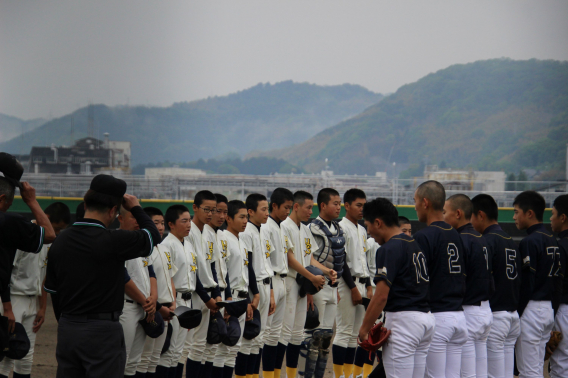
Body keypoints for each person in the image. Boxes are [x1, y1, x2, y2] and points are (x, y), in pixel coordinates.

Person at [43, 174, 161, 377]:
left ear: (85, 203)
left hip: (68, 327)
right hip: (102, 330)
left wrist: (67, 324)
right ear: (114, 211)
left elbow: (53, 290)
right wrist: (135, 207)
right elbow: (153, 236)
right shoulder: (114, 240)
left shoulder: (60, 241)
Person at [359, 198, 435, 378]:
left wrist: (364, 329)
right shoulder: (414, 243)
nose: (369, 233)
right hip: (426, 318)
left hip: (404, 321)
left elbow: (381, 296)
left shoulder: (388, 248)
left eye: (369, 227)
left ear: (378, 222)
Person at [0, 202, 69, 378]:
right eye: (57, 228)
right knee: (6, 355)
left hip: (32, 300)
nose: (57, 233)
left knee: (26, 357)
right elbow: (5, 273)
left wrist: (42, 307)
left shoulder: (48, 242)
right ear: (45, 218)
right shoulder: (23, 232)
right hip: (13, 298)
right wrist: (7, 307)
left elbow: (43, 276)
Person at [413, 180, 467, 378]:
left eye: (416, 200)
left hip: (438, 316)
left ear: (425, 202)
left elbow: (418, 281)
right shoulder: (455, 233)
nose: (415, 205)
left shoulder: (424, 236)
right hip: (459, 316)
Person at [156, 205, 218, 378]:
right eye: (184, 221)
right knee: (168, 353)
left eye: (189, 220)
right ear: (172, 224)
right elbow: (168, 279)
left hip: (187, 300)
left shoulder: (188, 244)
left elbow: (193, 277)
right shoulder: (168, 244)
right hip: (173, 301)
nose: (189, 224)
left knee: (179, 352)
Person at [280, 191, 332, 378]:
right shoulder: (284, 227)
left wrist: (326, 271)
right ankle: (278, 374)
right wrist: (312, 277)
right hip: (289, 282)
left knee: (297, 334)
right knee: (284, 334)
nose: (311, 211)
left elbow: (309, 258)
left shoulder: (305, 228)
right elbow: (291, 259)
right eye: (308, 207)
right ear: (296, 206)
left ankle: (292, 375)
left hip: (302, 286)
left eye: (312, 207)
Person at [308, 188, 357, 378]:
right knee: (312, 337)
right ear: (322, 205)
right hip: (317, 285)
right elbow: (308, 259)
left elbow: (340, 259)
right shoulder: (312, 228)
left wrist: (335, 286)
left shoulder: (338, 228)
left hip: (332, 287)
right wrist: (309, 291)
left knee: (326, 338)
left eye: (339, 203)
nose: (339, 207)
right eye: (335, 203)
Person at [470, 194, 521, 378]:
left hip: (497, 314)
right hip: (513, 316)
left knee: (493, 375)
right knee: (505, 374)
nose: (471, 221)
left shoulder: (488, 240)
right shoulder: (510, 240)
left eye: (472, 216)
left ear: (480, 215)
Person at [443, 194, 493, 378]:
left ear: (458, 213)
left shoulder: (460, 238)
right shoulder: (481, 237)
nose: (443, 216)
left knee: (465, 374)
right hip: (485, 310)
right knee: (478, 374)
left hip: (470, 311)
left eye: (445, 212)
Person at [513, 191, 560, 377]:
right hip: (547, 309)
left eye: (517, 212)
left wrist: (517, 313)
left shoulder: (530, 241)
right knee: (535, 370)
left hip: (531, 309)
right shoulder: (552, 239)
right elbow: (558, 283)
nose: (515, 216)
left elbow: (527, 284)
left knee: (528, 372)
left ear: (529, 213)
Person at [212, 200, 260, 378]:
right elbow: (222, 272)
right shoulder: (223, 238)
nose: (245, 221)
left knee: (234, 348)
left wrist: (252, 296)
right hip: (229, 298)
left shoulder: (242, 240)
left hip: (242, 298)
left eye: (246, 217)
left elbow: (248, 271)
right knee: (221, 349)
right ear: (228, 219)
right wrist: (227, 303)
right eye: (241, 217)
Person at [118, 207, 167, 377]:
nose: (138, 221)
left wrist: (152, 300)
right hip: (126, 307)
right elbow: (122, 278)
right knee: (121, 360)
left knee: (134, 362)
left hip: (144, 307)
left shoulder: (140, 241)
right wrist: (146, 302)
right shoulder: (117, 240)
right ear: (120, 218)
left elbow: (151, 272)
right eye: (133, 217)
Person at [183, 191, 223, 378]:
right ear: (195, 207)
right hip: (195, 295)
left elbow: (212, 266)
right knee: (190, 346)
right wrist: (207, 299)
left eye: (213, 210)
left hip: (209, 296)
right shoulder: (187, 231)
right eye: (206, 209)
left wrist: (216, 294)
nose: (210, 214)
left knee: (204, 347)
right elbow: (193, 271)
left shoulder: (209, 232)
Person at [234, 193, 273, 378]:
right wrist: (251, 296)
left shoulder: (262, 230)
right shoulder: (246, 231)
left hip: (265, 284)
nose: (267, 213)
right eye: (263, 209)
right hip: (253, 287)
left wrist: (270, 292)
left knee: (260, 338)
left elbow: (267, 262)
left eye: (267, 209)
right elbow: (247, 265)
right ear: (251, 211)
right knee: (248, 338)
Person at [335, 189, 372, 378]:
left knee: (355, 334)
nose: (362, 209)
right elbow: (341, 262)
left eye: (364, 205)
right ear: (346, 205)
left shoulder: (362, 229)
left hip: (361, 283)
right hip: (346, 283)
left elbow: (363, 261)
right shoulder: (341, 227)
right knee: (343, 331)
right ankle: (337, 375)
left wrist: (368, 286)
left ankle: (347, 375)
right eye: (358, 205)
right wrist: (352, 288)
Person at [137, 207, 177, 378]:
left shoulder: (164, 248)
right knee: (142, 359)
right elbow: (144, 283)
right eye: (155, 223)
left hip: (166, 310)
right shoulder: (145, 249)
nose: (160, 227)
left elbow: (170, 278)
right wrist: (157, 307)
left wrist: (173, 302)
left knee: (154, 359)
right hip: (152, 309)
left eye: (162, 223)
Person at [260, 188, 294, 378]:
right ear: (274, 206)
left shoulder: (282, 226)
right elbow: (265, 262)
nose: (287, 211)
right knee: (265, 334)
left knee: (276, 334)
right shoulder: (266, 227)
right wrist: (271, 290)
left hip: (283, 280)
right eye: (285, 207)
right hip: (271, 281)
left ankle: (272, 375)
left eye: (289, 207)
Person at [200, 193, 232, 378]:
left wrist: (225, 296)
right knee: (201, 348)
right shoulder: (203, 234)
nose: (220, 216)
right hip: (206, 295)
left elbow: (223, 270)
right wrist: (214, 296)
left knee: (217, 349)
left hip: (219, 295)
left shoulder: (220, 235)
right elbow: (207, 269)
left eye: (223, 212)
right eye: (216, 211)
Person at [549, 194, 568, 378]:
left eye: (553, 213)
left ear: (563, 217)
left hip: (564, 310)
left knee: (561, 364)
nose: (551, 218)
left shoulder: (560, 246)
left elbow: (557, 284)